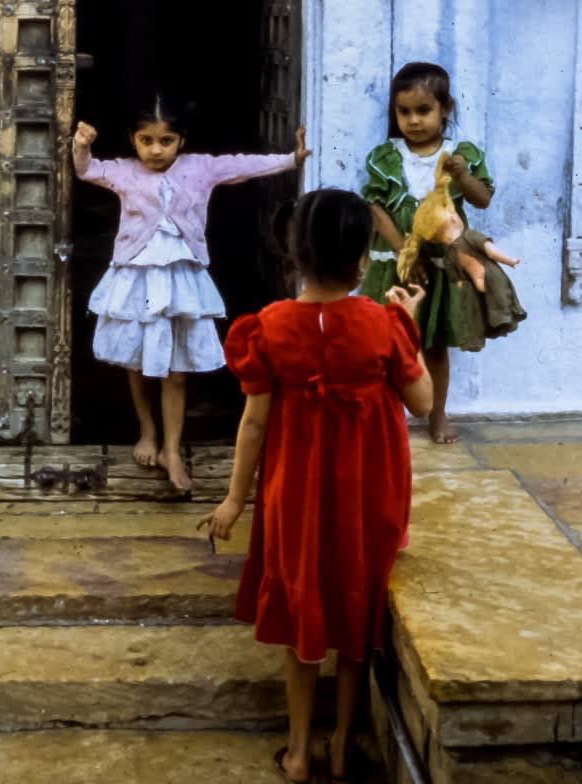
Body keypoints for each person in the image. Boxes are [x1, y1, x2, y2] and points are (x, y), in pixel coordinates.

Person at [198, 189, 432, 784]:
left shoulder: (269, 327)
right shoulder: (382, 325)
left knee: (304, 609)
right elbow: (423, 401)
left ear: (293, 253)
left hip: (294, 495)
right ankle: (341, 743)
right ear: (362, 257)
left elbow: (254, 425)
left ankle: (298, 753)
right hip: (368, 494)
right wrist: (410, 319)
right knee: (355, 611)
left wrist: (233, 500)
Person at [72, 94, 310, 491]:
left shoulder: (201, 168)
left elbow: (242, 165)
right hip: (136, 279)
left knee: (176, 371)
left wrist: (291, 159)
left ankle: (172, 447)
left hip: (182, 282)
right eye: (146, 140)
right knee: (135, 361)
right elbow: (86, 171)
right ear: (133, 140)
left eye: (165, 140)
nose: (155, 149)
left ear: (182, 140)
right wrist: (81, 144)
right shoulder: (125, 172)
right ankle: (147, 431)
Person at [359, 61, 494, 443]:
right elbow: (375, 208)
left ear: (445, 108)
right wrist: (404, 251)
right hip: (396, 266)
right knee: (387, 343)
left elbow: (482, 199)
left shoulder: (459, 154)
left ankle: (436, 414)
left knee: (433, 344)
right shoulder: (384, 157)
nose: (414, 120)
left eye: (424, 110)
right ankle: (388, 416)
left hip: (440, 265)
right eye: (404, 112)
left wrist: (461, 174)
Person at [398, 158, 526, 353]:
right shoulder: (466, 239)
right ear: (453, 218)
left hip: (477, 282)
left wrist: (507, 261)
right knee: (490, 306)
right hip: (484, 281)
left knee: (479, 311)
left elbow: (462, 269)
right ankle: (498, 319)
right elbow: (489, 251)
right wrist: (509, 261)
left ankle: (491, 323)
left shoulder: (457, 248)